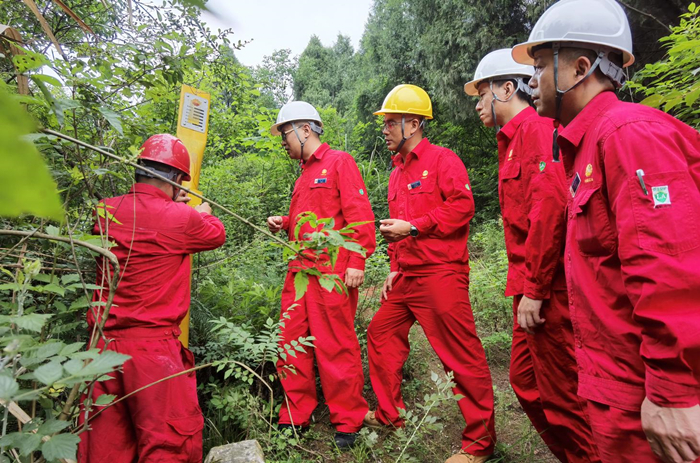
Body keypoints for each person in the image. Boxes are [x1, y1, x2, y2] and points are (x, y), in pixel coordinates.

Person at [512, 0, 700, 462]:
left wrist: (672, 392)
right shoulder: (587, 144)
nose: (531, 82)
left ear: (579, 68)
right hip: (613, 383)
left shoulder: (627, 136)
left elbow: (669, 268)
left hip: (643, 395)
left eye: (539, 67)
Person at [465, 49, 599, 462]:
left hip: (549, 289)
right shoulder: (509, 142)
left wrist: (538, 289)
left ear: (508, 88)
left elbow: (549, 210)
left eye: (483, 92)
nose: (477, 103)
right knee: (525, 384)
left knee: (563, 398)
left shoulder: (538, 130)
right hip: (528, 285)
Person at [365, 84, 496, 463]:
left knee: (460, 356)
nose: (386, 129)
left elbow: (462, 207)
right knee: (381, 333)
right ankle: (391, 415)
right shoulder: (394, 175)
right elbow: (395, 229)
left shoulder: (442, 161)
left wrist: (416, 227)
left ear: (415, 123)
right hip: (407, 276)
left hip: (441, 274)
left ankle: (479, 445)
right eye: (385, 123)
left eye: (391, 122)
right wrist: (393, 266)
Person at [78, 134, 226, 462]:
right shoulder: (183, 218)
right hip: (153, 353)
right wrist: (200, 211)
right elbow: (217, 233)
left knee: (105, 446)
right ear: (176, 180)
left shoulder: (104, 211)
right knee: (167, 446)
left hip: (102, 347)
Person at [266, 101, 376, 449]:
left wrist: (357, 260)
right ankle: (295, 415)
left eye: (285, 133)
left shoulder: (339, 162)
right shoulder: (303, 175)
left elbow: (359, 215)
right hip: (299, 272)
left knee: (335, 346)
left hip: (332, 274)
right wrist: (285, 223)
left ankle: (348, 419)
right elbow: (308, 219)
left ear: (305, 129)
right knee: (290, 344)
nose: (283, 141)